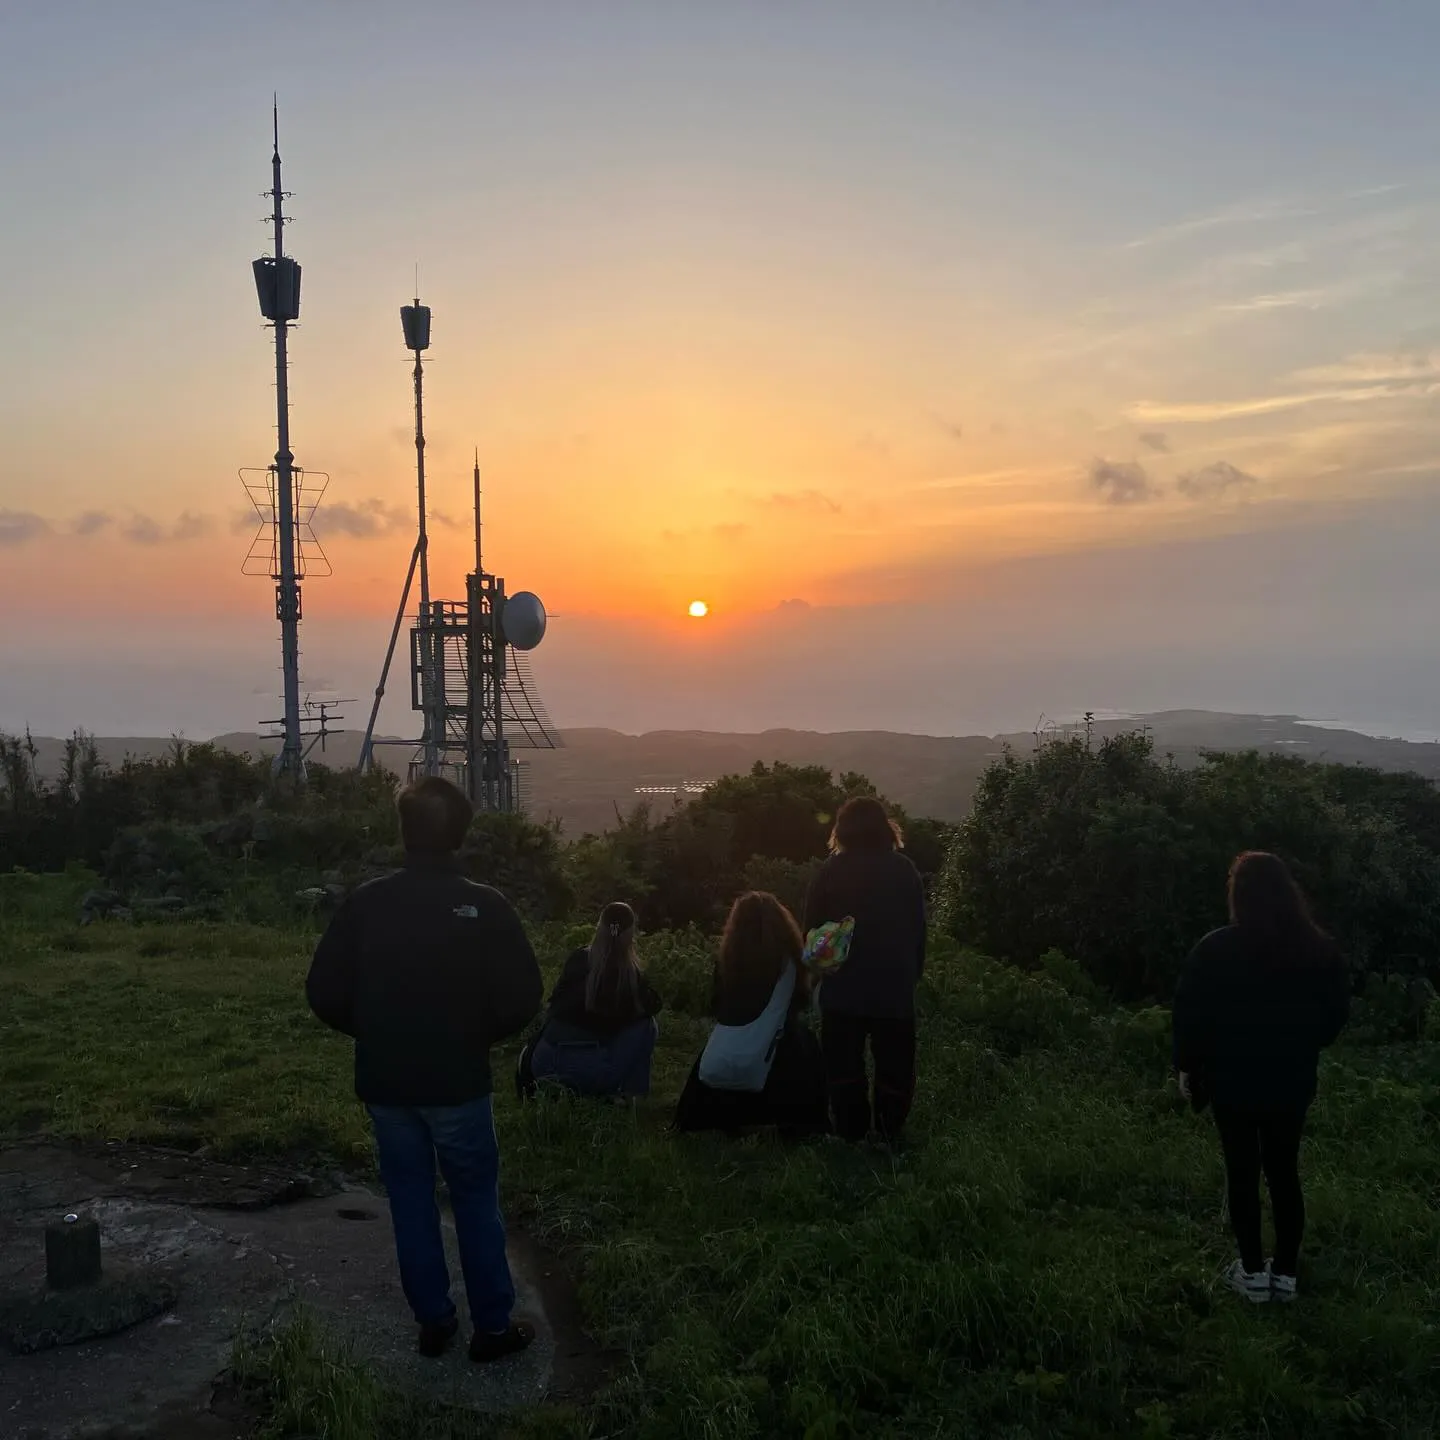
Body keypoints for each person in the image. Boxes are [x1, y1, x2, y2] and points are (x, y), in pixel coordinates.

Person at [305, 775, 543, 1363]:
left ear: (404, 832)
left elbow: (322, 992)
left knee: (410, 1201)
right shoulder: (486, 906)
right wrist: (473, 1038)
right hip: (458, 1083)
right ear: (460, 834)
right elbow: (525, 997)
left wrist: (375, 1032)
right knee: (473, 1200)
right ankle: (492, 1328)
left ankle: (433, 1320)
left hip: (387, 1085)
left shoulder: (366, 902)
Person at [1172, 851, 1350, 1304]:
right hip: (1290, 1083)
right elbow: (1333, 1020)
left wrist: (1188, 1068)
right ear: (1287, 893)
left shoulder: (1214, 949)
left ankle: (1251, 1273)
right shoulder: (1319, 950)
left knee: (1243, 1173)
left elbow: (1190, 1017)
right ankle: (1285, 1275)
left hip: (1231, 1083)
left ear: (1238, 895)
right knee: (1284, 1172)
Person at [803, 796, 927, 1144]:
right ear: (885, 828)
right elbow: (919, 932)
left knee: (843, 1067)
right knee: (895, 1067)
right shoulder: (905, 870)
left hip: (842, 988)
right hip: (894, 986)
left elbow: (811, 932)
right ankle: (889, 1132)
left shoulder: (829, 872)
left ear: (841, 830)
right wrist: (911, 976)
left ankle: (850, 1133)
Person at [673, 891, 829, 1139]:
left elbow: (717, 1005)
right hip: (783, 1049)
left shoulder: (727, 962)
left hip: (731, 1043)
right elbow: (801, 1002)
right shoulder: (789, 962)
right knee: (803, 1044)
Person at [518, 902, 663, 1099]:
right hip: (587, 1070)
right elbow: (654, 1005)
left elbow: (555, 1002)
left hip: (543, 1061)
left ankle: (555, 1086)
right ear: (630, 935)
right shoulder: (628, 976)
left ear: (599, 927)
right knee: (647, 1025)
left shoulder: (578, 958)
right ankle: (629, 1096)